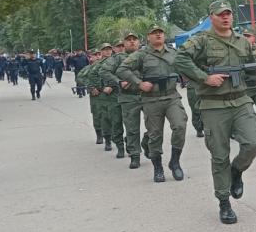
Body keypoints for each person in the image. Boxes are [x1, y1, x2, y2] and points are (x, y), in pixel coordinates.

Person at [173, 1, 256, 224]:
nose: (226, 18)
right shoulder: (201, 40)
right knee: (219, 155)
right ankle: (224, 201)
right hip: (213, 105)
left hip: (241, 101)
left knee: (253, 143)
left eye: (228, 14)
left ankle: (236, 171)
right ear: (212, 17)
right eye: (221, 15)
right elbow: (180, 59)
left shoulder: (242, 42)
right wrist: (205, 77)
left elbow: (250, 69)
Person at [117, 26, 188, 182]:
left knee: (180, 126)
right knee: (155, 135)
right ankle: (158, 168)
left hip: (171, 97)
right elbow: (122, 69)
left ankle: (175, 162)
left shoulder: (173, 53)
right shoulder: (141, 55)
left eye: (161, 33)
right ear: (148, 37)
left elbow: (186, 66)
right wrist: (139, 82)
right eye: (154, 33)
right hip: (151, 99)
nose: (158, 35)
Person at [103, 32, 146, 166]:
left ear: (139, 42)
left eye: (134, 39)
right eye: (128, 40)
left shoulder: (146, 55)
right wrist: (119, 81)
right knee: (132, 128)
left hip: (148, 95)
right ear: (124, 43)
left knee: (154, 127)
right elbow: (104, 71)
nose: (132, 42)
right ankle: (135, 155)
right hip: (128, 97)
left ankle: (148, 144)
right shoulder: (117, 58)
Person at [75, 50, 104, 144]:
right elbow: (79, 77)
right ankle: (99, 135)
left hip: (108, 94)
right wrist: (90, 87)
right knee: (97, 115)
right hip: (95, 95)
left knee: (109, 116)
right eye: (95, 55)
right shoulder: (89, 68)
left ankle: (109, 135)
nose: (98, 57)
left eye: (99, 54)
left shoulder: (108, 66)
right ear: (91, 57)